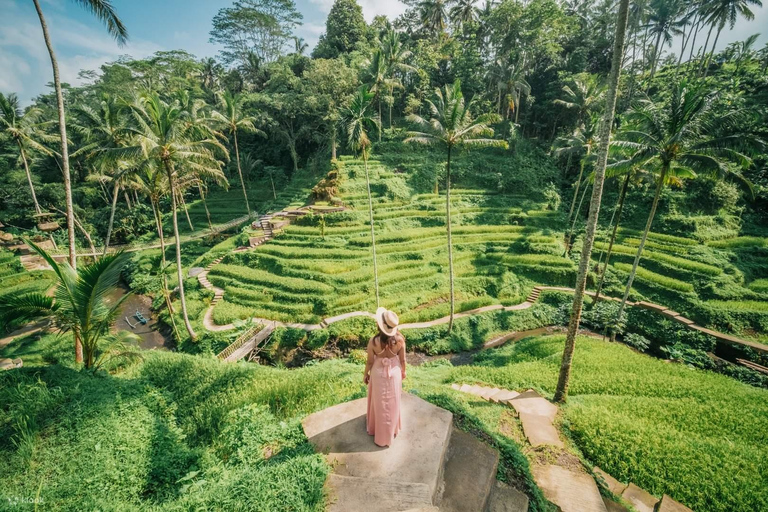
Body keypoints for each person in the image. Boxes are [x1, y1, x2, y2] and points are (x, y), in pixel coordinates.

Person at [364, 307, 406, 447]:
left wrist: (366, 374)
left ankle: (378, 430)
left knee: (379, 402)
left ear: (379, 325)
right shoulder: (400, 340)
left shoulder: (373, 341)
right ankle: (392, 430)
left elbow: (370, 361)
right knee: (393, 401)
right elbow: (403, 360)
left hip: (377, 373)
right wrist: (403, 372)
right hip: (394, 373)